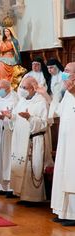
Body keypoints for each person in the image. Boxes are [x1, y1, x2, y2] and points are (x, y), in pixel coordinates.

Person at [4, 76, 49, 204]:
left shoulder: (41, 102)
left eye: (25, 88)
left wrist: (30, 118)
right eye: (21, 87)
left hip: (33, 140)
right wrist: (11, 117)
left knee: (31, 167)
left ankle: (33, 198)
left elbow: (44, 124)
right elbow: (17, 120)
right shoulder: (22, 101)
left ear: (33, 88)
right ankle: (22, 195)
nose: (22, 90)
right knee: (21, 167)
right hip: (20, 140)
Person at [50, 62, 75, 226]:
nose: (64, 74)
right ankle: (63, 211)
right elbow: (58, 111)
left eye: (67, 71)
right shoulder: (67, 93)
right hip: (65, 142)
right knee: (62, 173)